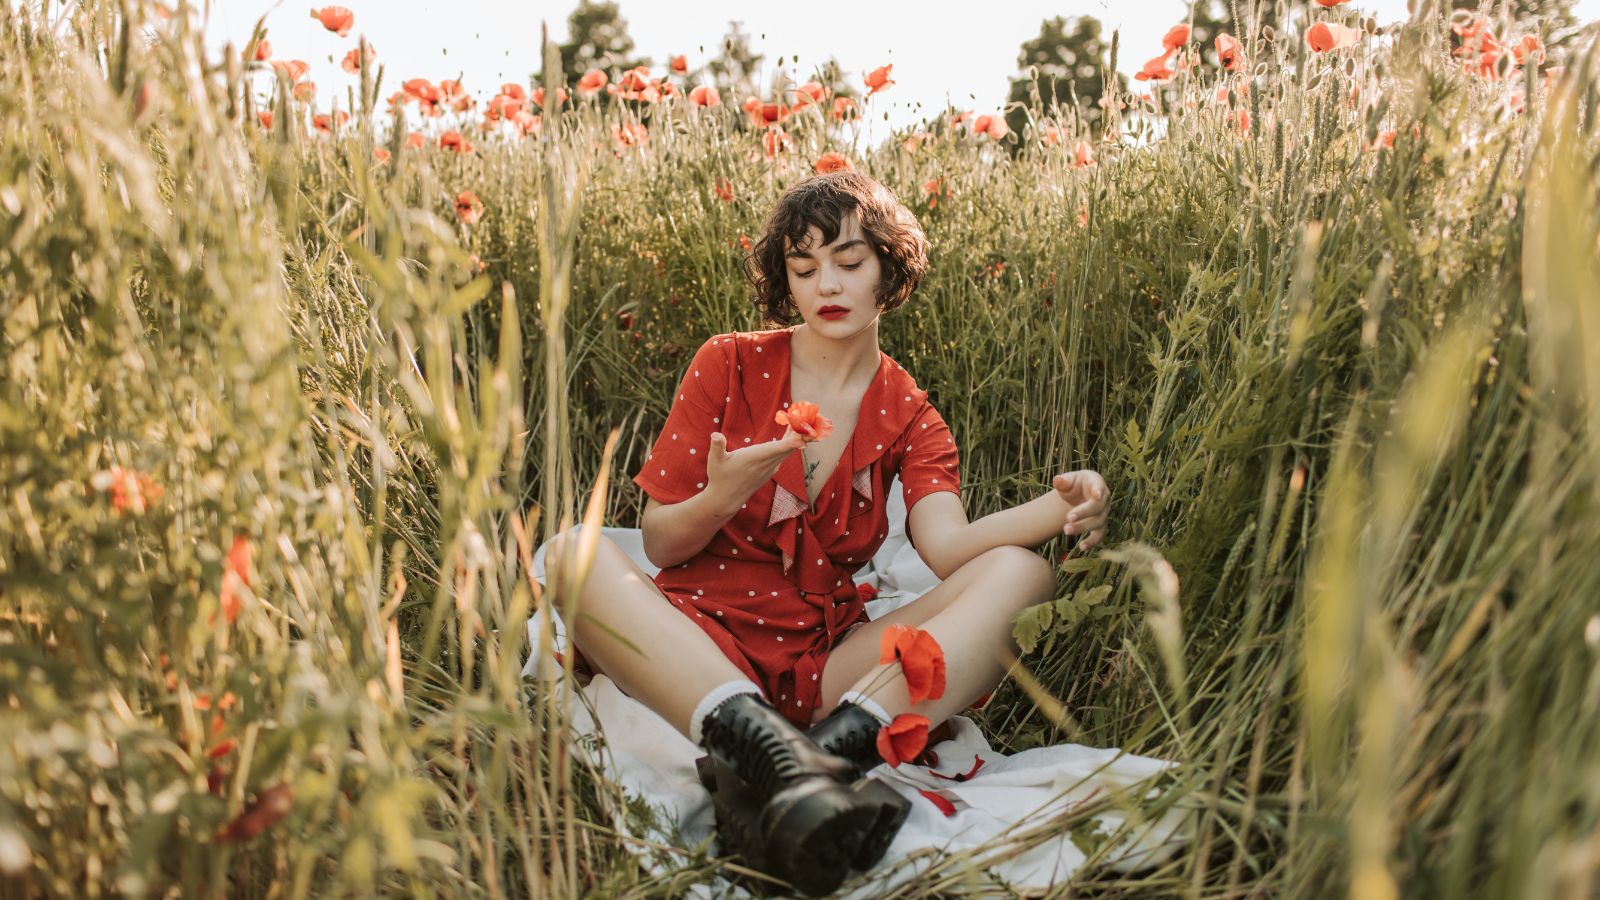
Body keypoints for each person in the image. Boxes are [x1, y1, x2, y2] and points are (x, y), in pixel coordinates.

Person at [544, 171, 1109, 895]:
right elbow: (659, 545)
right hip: (691, 641)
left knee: (1025, 574)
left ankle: (822, 756)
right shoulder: (729, 362)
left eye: (849, 261)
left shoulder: (911, 415)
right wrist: (720, 498)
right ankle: (779, 757)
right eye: (804, 267)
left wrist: (1061, 505)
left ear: (888, 271)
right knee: (571, 553)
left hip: (818, 667)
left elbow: (948, 549)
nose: (827, 286)